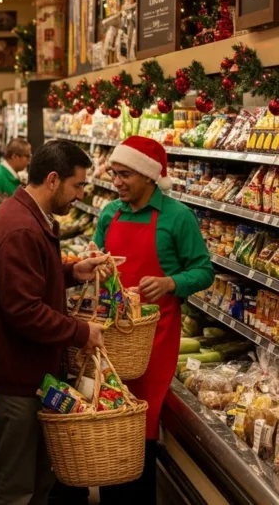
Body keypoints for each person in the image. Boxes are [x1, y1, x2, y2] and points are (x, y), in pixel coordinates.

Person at [0, 140, 110, 505]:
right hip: (17, 380)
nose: (80, 194)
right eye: (78, 185)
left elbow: (31, 282)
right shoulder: (20, 227)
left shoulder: (28, 216)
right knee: (12, 488)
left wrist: (71, 272)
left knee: (34, 484)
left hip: (31, 375)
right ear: (53, 180)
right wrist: (81, 332)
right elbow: (23, 310)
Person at [94, 137, 213, 501]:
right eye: (114, 173)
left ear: (148, 176)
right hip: (110, 338)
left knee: (141, 430)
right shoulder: (108, 213)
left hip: (155, 341)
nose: (117, 181)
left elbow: (204, 271)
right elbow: (97, 258)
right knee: (110, 422)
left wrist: (170, 282)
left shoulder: (177, 218)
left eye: (125, 174)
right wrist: (92, 266)